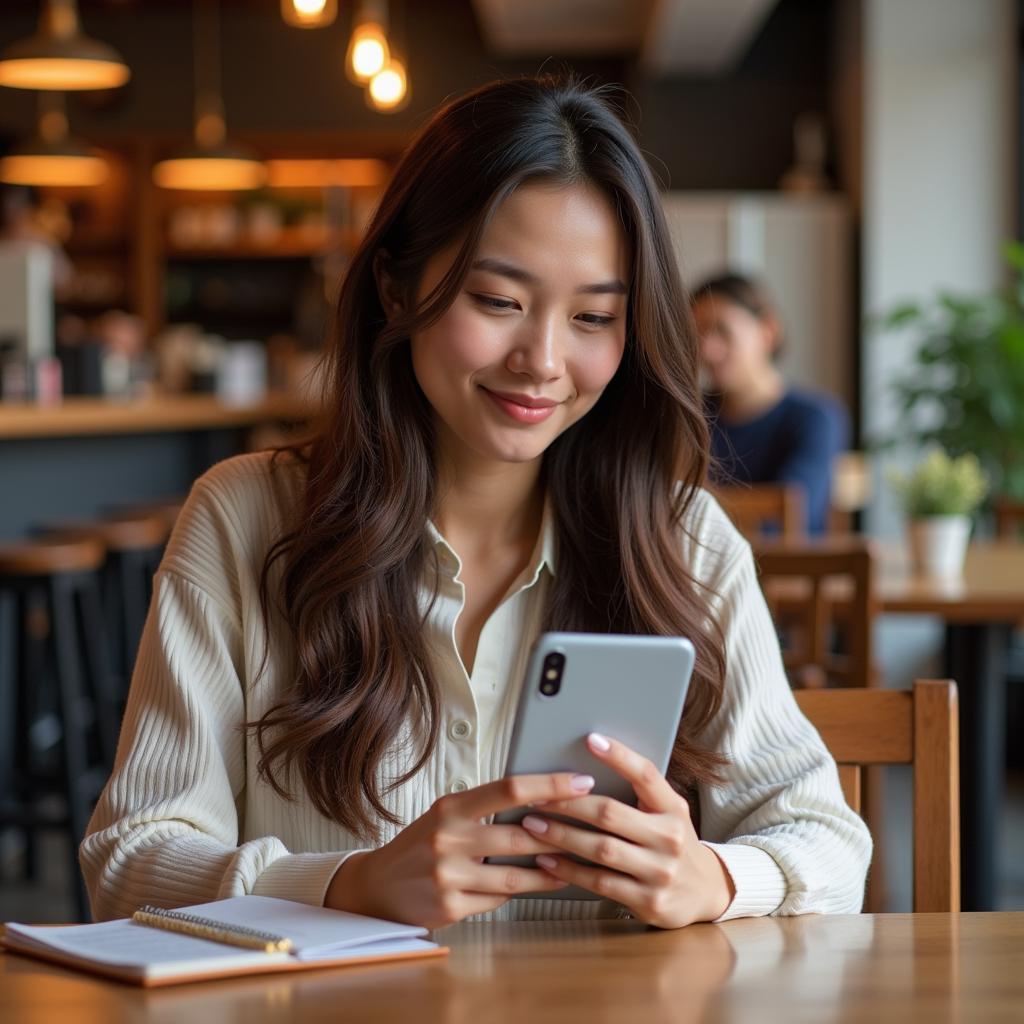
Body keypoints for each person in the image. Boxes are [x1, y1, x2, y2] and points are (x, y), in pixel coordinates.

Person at [81, 76, 870, 929]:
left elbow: (827, 841)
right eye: (497, 301)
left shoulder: (682, 541)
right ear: (395, 289)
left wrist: (711, 878)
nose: (541, 359)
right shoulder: (244, 520)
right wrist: (344, 887)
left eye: (594, 317)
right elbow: (128, 861)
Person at [692, 273, 850, 534]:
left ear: (768, 330)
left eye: (722, 330)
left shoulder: (815, 418)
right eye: (698, 334)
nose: (707, 350)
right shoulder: (687, 414)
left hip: (786, 571)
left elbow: (792, 518)